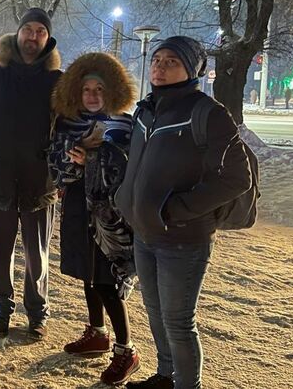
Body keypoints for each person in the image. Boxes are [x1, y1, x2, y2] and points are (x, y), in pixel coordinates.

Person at [115, 37, 252, 389]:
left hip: (183, 239)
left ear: (192, 70)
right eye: (157, 59)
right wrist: (124, 197)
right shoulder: (146, 110)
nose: (160, 67)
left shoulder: (208, 113)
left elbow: (237, 178)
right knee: (156, 316)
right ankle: (166, 377)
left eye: (171, 61)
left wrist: (177, 210)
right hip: (145, 234)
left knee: (178, 323)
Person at [0, 7, 62, 339]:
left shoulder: (57, 81)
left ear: (48, 39)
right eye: (28, 29)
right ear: (17, 33)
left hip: (40, 183)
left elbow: (69, 125)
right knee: (0, 251)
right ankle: (2, 306)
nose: (33, 36)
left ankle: (37, 311)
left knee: (37, 254)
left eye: (40, 31)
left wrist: (58, 164)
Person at [49, 52, 139, 385]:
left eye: (99, 89)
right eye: (86, 89)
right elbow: (57, 171)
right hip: (76, 206)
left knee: (106, 279)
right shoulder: (65, 123)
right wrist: (74, 163)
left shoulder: (125, 124)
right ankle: (97, 333)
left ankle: (126, 350)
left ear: (112, 90)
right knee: (87, 273)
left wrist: (92, 160)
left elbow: (130, 171)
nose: (92, 95)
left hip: (110, 213)